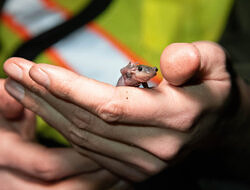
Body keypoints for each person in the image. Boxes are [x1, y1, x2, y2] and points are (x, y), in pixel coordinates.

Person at [1, 0, 250, 189]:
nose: (149, 73)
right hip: (38, 140)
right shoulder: (129, 73)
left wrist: (231, 116)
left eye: (150, 72)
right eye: (144, 71)